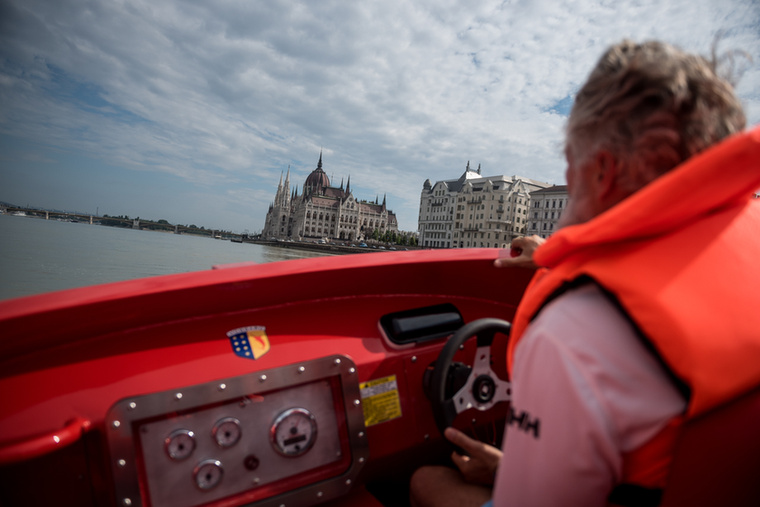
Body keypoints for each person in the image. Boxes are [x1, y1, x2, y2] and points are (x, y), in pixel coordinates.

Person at [411, 39, 760, 507]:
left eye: (570, 162)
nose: (568, 178)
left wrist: (511, 474)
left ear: (603, 172)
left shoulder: (572, 337)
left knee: (424, 483)